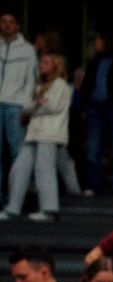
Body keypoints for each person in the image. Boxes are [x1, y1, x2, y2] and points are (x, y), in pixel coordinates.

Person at [3, 51, 71, 222]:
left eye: (47, 62)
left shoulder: (60, 84)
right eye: (41, 62)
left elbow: (51, 106)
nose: (42, 65)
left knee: (44, 170)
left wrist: (34, 107)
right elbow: (28, 108)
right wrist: (36, 105)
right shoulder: (39, 86)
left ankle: (49, 209)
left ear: (55, 65)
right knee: (19, 169)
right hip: (34, 133)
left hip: (50, 133)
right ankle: (12, 208)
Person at [77, 32, 113, 197]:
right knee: (93, 149)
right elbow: (88, 85)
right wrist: (85, 106)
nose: (95, 43)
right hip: (96, 108)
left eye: (98, 40)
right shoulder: (95, 61)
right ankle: (92, 186)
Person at [0, 12, 37, 184]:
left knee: (18, 152)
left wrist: (26, 107)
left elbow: (31, 79)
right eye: (4, 22)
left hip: (15, 106)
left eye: (11, 22)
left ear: (17, 26)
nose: (7, 25)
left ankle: (16, 198)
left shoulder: (28, 50)